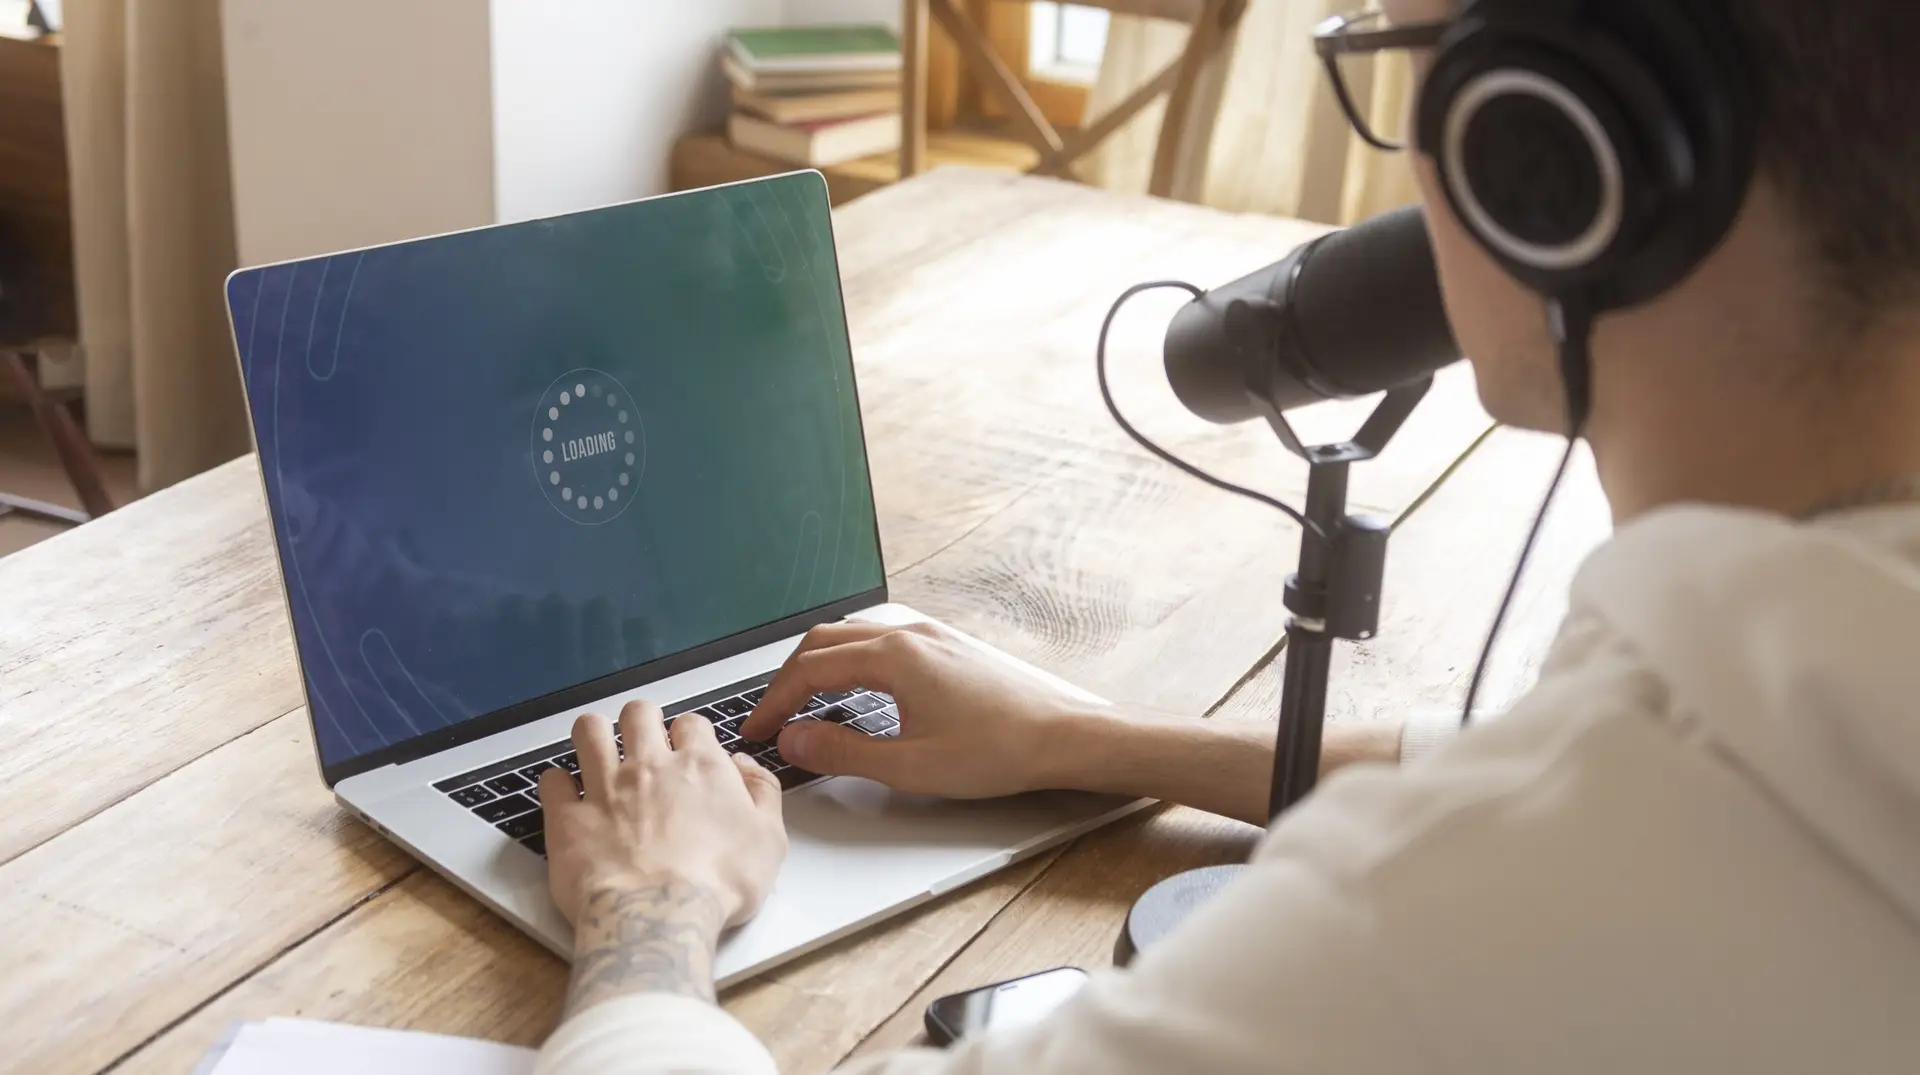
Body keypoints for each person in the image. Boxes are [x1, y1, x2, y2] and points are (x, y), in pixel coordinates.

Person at [530, 0, 1920, 1070]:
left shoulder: (1453, 930)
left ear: (1540, 159)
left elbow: (1560, 811)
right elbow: (1542, 751)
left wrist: (653, 907)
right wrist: (1093, 740)